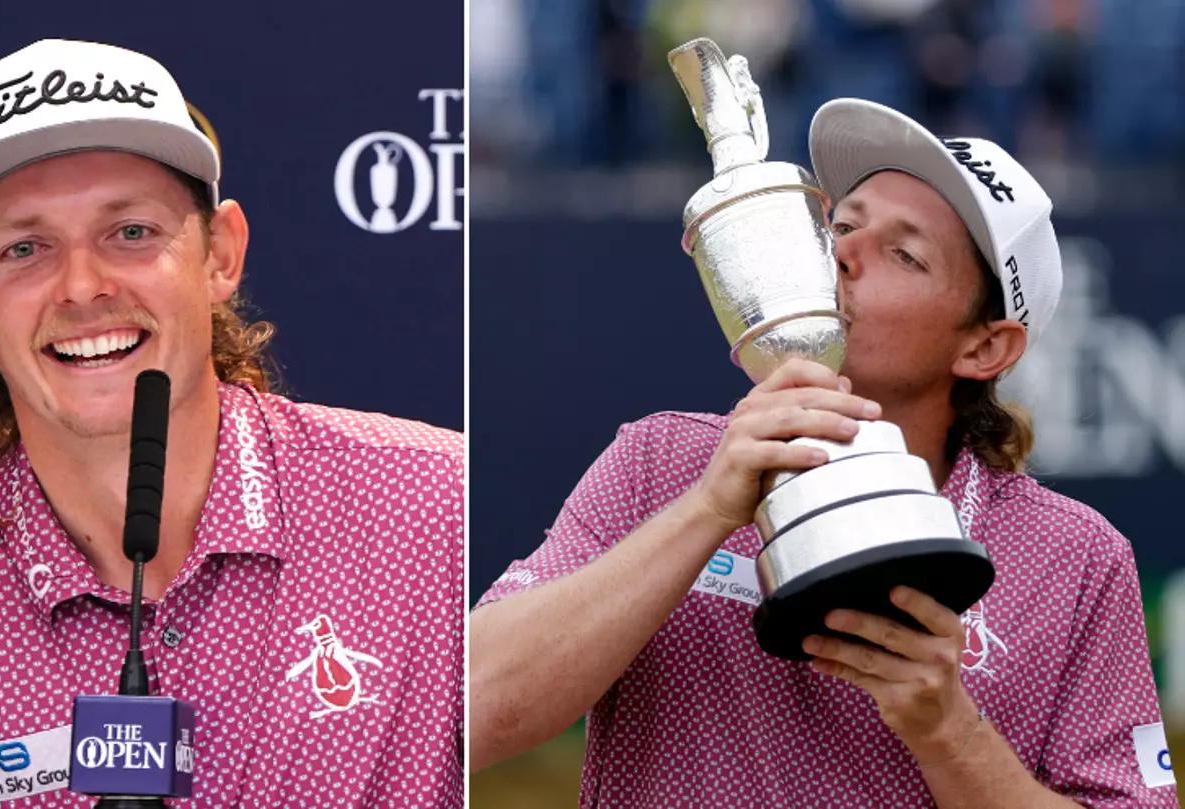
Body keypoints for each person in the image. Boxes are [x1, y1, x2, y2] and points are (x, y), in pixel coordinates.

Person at [0, 39, 463, 808]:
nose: (83, 286)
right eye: (25, 247)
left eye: (131, 232)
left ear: (221, 253)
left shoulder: (433, 504)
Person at [471, 98, 1175, 808]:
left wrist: (949, 732)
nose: (842, 251)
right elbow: (470, 710)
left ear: (984, 346)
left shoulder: (1077, 557)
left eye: (904, 253)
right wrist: (707, 510)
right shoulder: (662, 462)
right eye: (842, 223)